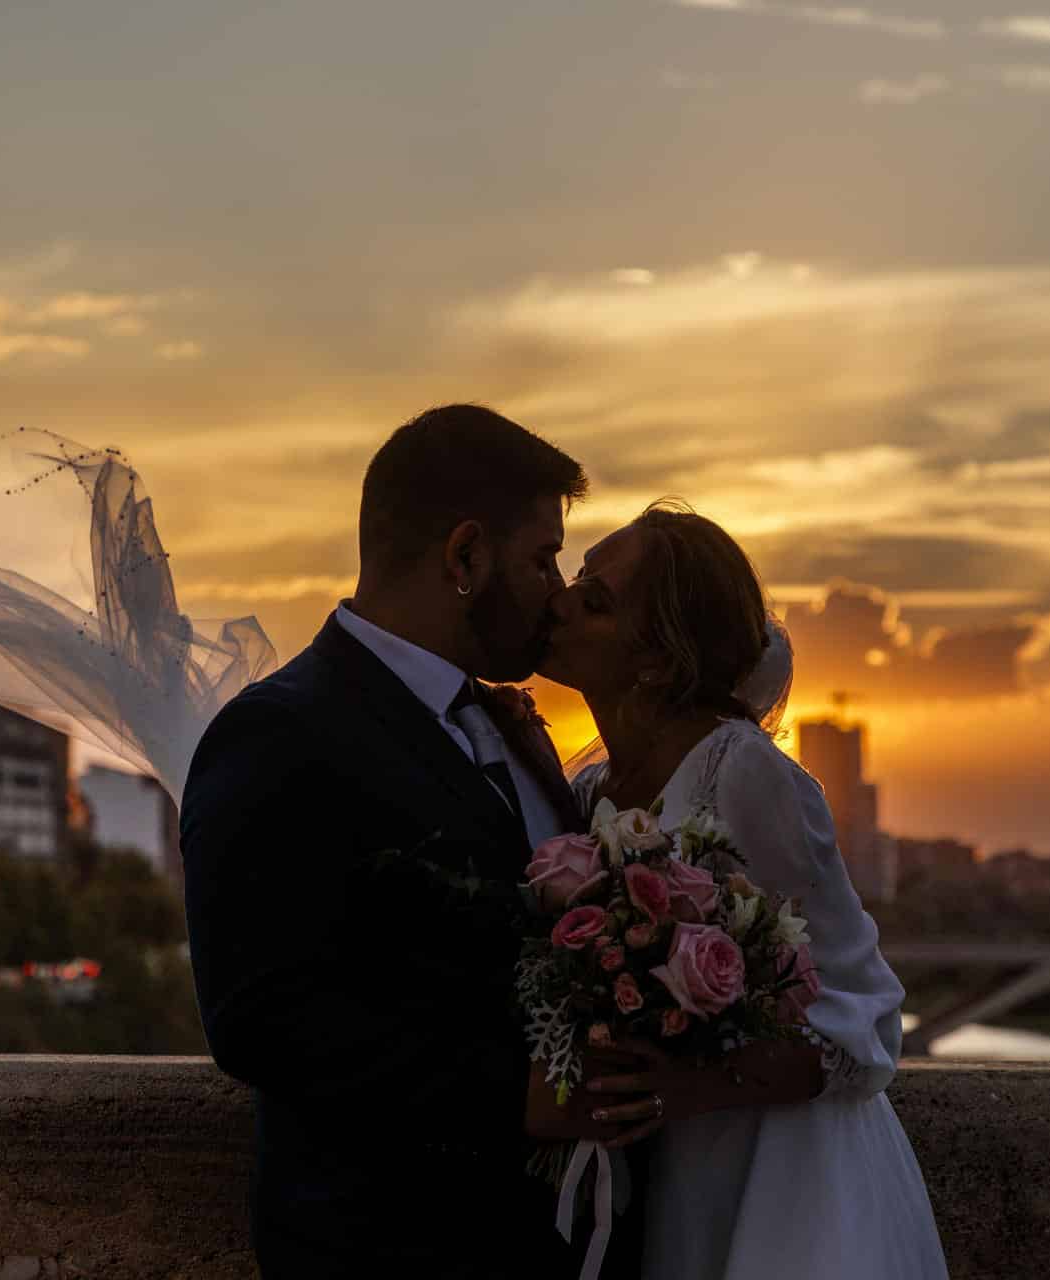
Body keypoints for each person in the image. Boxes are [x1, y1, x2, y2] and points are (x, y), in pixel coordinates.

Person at [176, 404, 650, 1279]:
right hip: (390, 1245)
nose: (556, 589)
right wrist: (521, 1095)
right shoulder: (281, 732)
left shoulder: (512, 727)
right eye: (543, 557)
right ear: (465, 555)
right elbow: (262, 1020)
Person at [536, 501, 950, 1279]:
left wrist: (686, 1084)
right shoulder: (587, 788)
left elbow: (866, 1033)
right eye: (578, 577)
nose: (558, 599)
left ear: (657, 659)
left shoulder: (746, 774)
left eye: (595, 599)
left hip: (781, 1179)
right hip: (667, 1177)